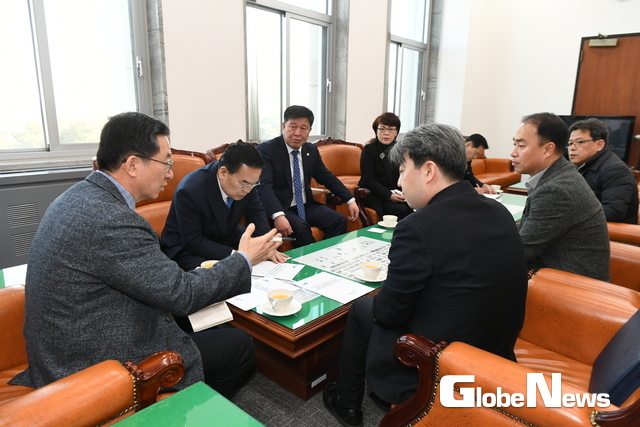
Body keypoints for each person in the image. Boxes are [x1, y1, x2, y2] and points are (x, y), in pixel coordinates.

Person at [10, 112, 282, 398]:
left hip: (74, 337)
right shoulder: (113, 220)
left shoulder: (80, 196)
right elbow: (182, 294)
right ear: (132, 165)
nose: (170, 173)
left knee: (202, 321)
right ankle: (180, 409)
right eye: (166, 162)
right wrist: (243, 260)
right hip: (90, 360)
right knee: (239, 344)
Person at [322, 123, 528, 427]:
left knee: (364, 309)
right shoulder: (498, 211)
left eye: (403, 170)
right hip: (494, 349)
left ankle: (348, 403)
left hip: (443, 360)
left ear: (429, 170)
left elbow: (389, 313)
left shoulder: (417, 227)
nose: (400, 181)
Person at [510, 112, 610, 281]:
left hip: (570, 287)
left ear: (548, 149)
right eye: (514, 144)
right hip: (556, 273)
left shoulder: (557, 189)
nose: (513, 153)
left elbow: (521, 251)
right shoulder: (560, 175)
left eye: (521, 145)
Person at [161, 142, 288, 271]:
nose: (248, 190)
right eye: (244, 184)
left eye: (253, 184)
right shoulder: (190, 190)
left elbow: (256, 213)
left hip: (225, 234)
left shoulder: (247, 182)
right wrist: (238, 256)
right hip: (187, 248)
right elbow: (193, 241)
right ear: (223, 172)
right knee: (214, 274)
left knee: (264, 262)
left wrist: (267, 245)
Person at [256, 105, 359, 248]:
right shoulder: (267, 150)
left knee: (338, 220)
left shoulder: (310, 150)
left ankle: (325, 256)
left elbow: (327, 177)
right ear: (283, 126)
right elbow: (264, 186)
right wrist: (278, 215)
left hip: (305, 205)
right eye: (293, 127)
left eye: (303, 128)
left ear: (310, 130)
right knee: (301, 228)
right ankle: (310, 261)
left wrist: (350, 199)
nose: (297, 133)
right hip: (282, 207)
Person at [567, 118, 638, 224]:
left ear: (599, 145)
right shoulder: (579, 166)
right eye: (570, 143)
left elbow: (613, 212)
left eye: (580, 142)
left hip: (611, 231)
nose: (572, 148)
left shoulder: (615, 170)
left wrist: (565, 212)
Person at [358, 112, 413, 220]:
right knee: (399, 209)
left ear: (396, 132)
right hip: (376, 194)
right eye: (382, 129)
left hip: (398, 192)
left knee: (416, 207)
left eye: (391, 129)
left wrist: (407, 193)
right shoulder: (369, 150)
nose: (386, 133)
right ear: (376, 131)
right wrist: (388, 195)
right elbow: (368, 180)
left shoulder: (402, 150)